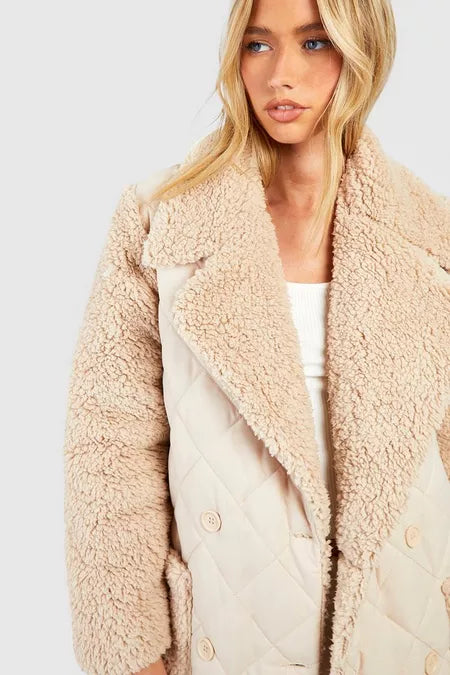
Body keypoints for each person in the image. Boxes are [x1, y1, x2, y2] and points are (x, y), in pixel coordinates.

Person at [63, 0, 450, 673]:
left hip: (405, 630)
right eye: (258, 44)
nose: (280, 75)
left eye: (314, 43)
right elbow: (109, 453)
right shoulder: (160, 226)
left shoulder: (432, 237)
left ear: (362, 49)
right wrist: (131, 656)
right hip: (229, 633)